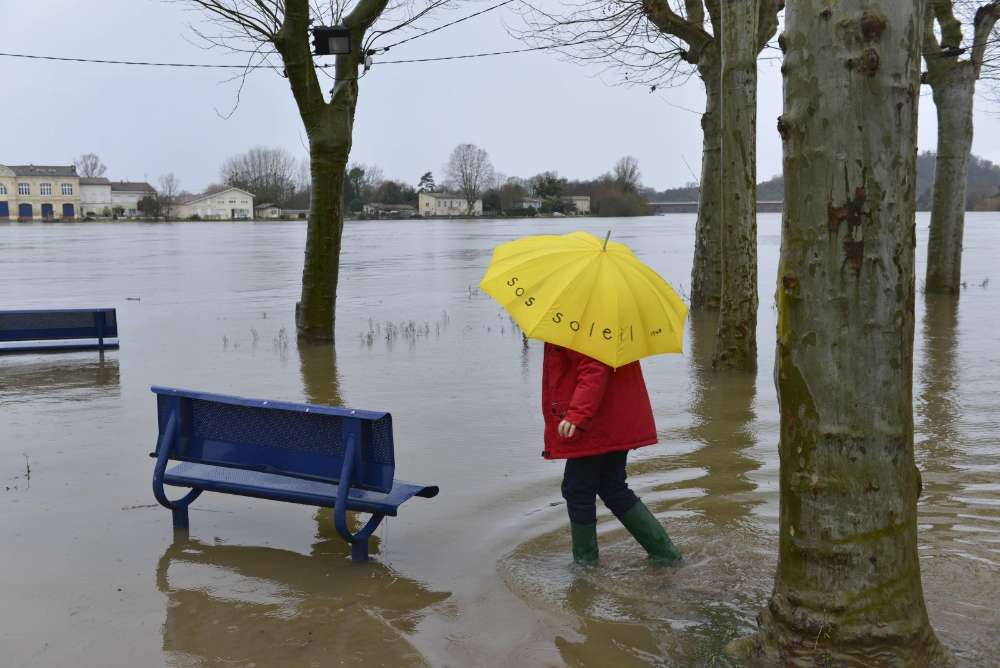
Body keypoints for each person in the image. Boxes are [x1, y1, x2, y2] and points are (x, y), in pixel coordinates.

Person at [542, 342, 681, 565]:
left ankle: (585, 567)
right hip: (611, 418)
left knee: (578, 489)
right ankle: (666, 556)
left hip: (596, 423)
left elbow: (594, 367)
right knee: (611, 486)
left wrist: (577, 415)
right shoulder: (601, 320)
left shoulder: (582, 322)